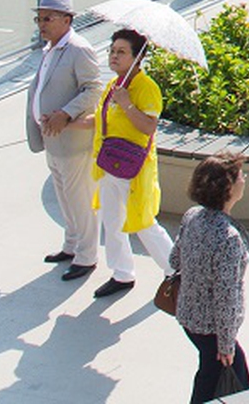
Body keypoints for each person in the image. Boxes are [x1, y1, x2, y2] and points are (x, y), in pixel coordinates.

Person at [85, 28, 176, 298]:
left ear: (138, 57)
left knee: (143, 222)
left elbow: (148, 127)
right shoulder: (116, 85)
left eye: (121, 52)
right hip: (109, 165)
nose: (114, 56)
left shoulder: (145, 88)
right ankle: (122, 273)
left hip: (134, 169)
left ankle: (176, 272)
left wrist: (126, 104)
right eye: (112, 50)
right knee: (112, 221)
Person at [25, 0, 104, 282]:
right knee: (64, 198)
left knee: (79, 199)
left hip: (72, 142)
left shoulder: (78, 49)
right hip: (52, 139)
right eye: (39, 18)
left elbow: (93, 89)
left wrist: (66, 114)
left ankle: (87, 256)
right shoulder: (50, 49)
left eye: (47, 18)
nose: (41, 24)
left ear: (67, 20)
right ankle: (71, 246)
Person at [171, 153, 249, 404]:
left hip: (189, 318)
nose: (244, 178)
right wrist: (226, 344)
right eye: (240, 175)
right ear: (227, 187)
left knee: (210, 377)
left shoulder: (192, 215)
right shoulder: (228, 238)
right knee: (231, 386)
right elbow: (226, 296)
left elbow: (175, 259)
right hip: (214, 331)